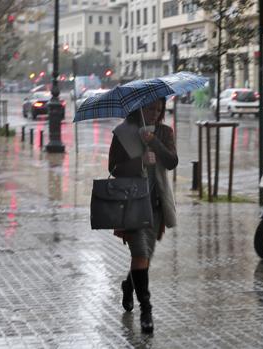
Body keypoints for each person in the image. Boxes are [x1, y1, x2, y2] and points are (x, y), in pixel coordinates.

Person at [108, 98, 178, 333]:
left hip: (156, 204)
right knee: (140, 252)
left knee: (145, 256)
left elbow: (172, 162)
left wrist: (154, 143)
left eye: (159, 110)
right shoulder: (123, 133)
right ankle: (146, 310)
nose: (154, 113)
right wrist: (139, 161)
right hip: (132, 204)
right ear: (139, 108)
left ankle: (129, 285)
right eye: (150, 108)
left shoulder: (164, 132)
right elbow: (113, 168)